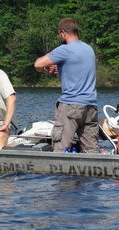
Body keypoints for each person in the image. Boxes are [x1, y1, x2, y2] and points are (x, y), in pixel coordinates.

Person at [34, 18, 98, 153]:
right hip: (91, 106)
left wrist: (47, 65)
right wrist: (59, 67)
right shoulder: (89, 49)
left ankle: (59, 174)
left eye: (59, 34)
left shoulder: (64, 49)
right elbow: (75, 69)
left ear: (63, 32)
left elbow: (38, 64)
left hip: (70, 106)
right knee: (91, 151)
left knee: (60, 149)